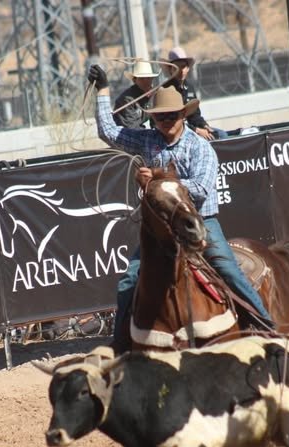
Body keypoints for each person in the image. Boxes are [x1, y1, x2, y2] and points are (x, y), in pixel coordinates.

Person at [87, 64, 273, 352]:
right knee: (128, 281)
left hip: (200, 222)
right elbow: (109, 132)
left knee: (227, 268)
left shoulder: (200, 147)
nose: (166, 121)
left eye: (171, 115)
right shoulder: (148, 140)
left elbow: (200, 188)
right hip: (161, 229)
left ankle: (266, 325)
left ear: (183, 115)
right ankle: (121, 344)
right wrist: (102, 90)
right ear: (153, 119)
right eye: (160, 117)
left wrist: (158, 181)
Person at [163, 47, 226, 140]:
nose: (181, 71)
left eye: (183, 66)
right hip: (174, 133)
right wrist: (196, 130)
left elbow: (195, 115)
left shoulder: (189, 88)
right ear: (170, 70)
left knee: (220, 135)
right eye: (177, 67)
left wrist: (204, 125)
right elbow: (171, 121)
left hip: (190, 129)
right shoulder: (166, 90)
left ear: (188, 68)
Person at [113, 60, 158, 128]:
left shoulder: (153, 96)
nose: (146, 81)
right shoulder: (127, 100)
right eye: (142, 79)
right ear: (134, 80)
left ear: (152, 79)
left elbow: (157, 122)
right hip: (122, 132)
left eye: (148, 78)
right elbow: (132, 128)